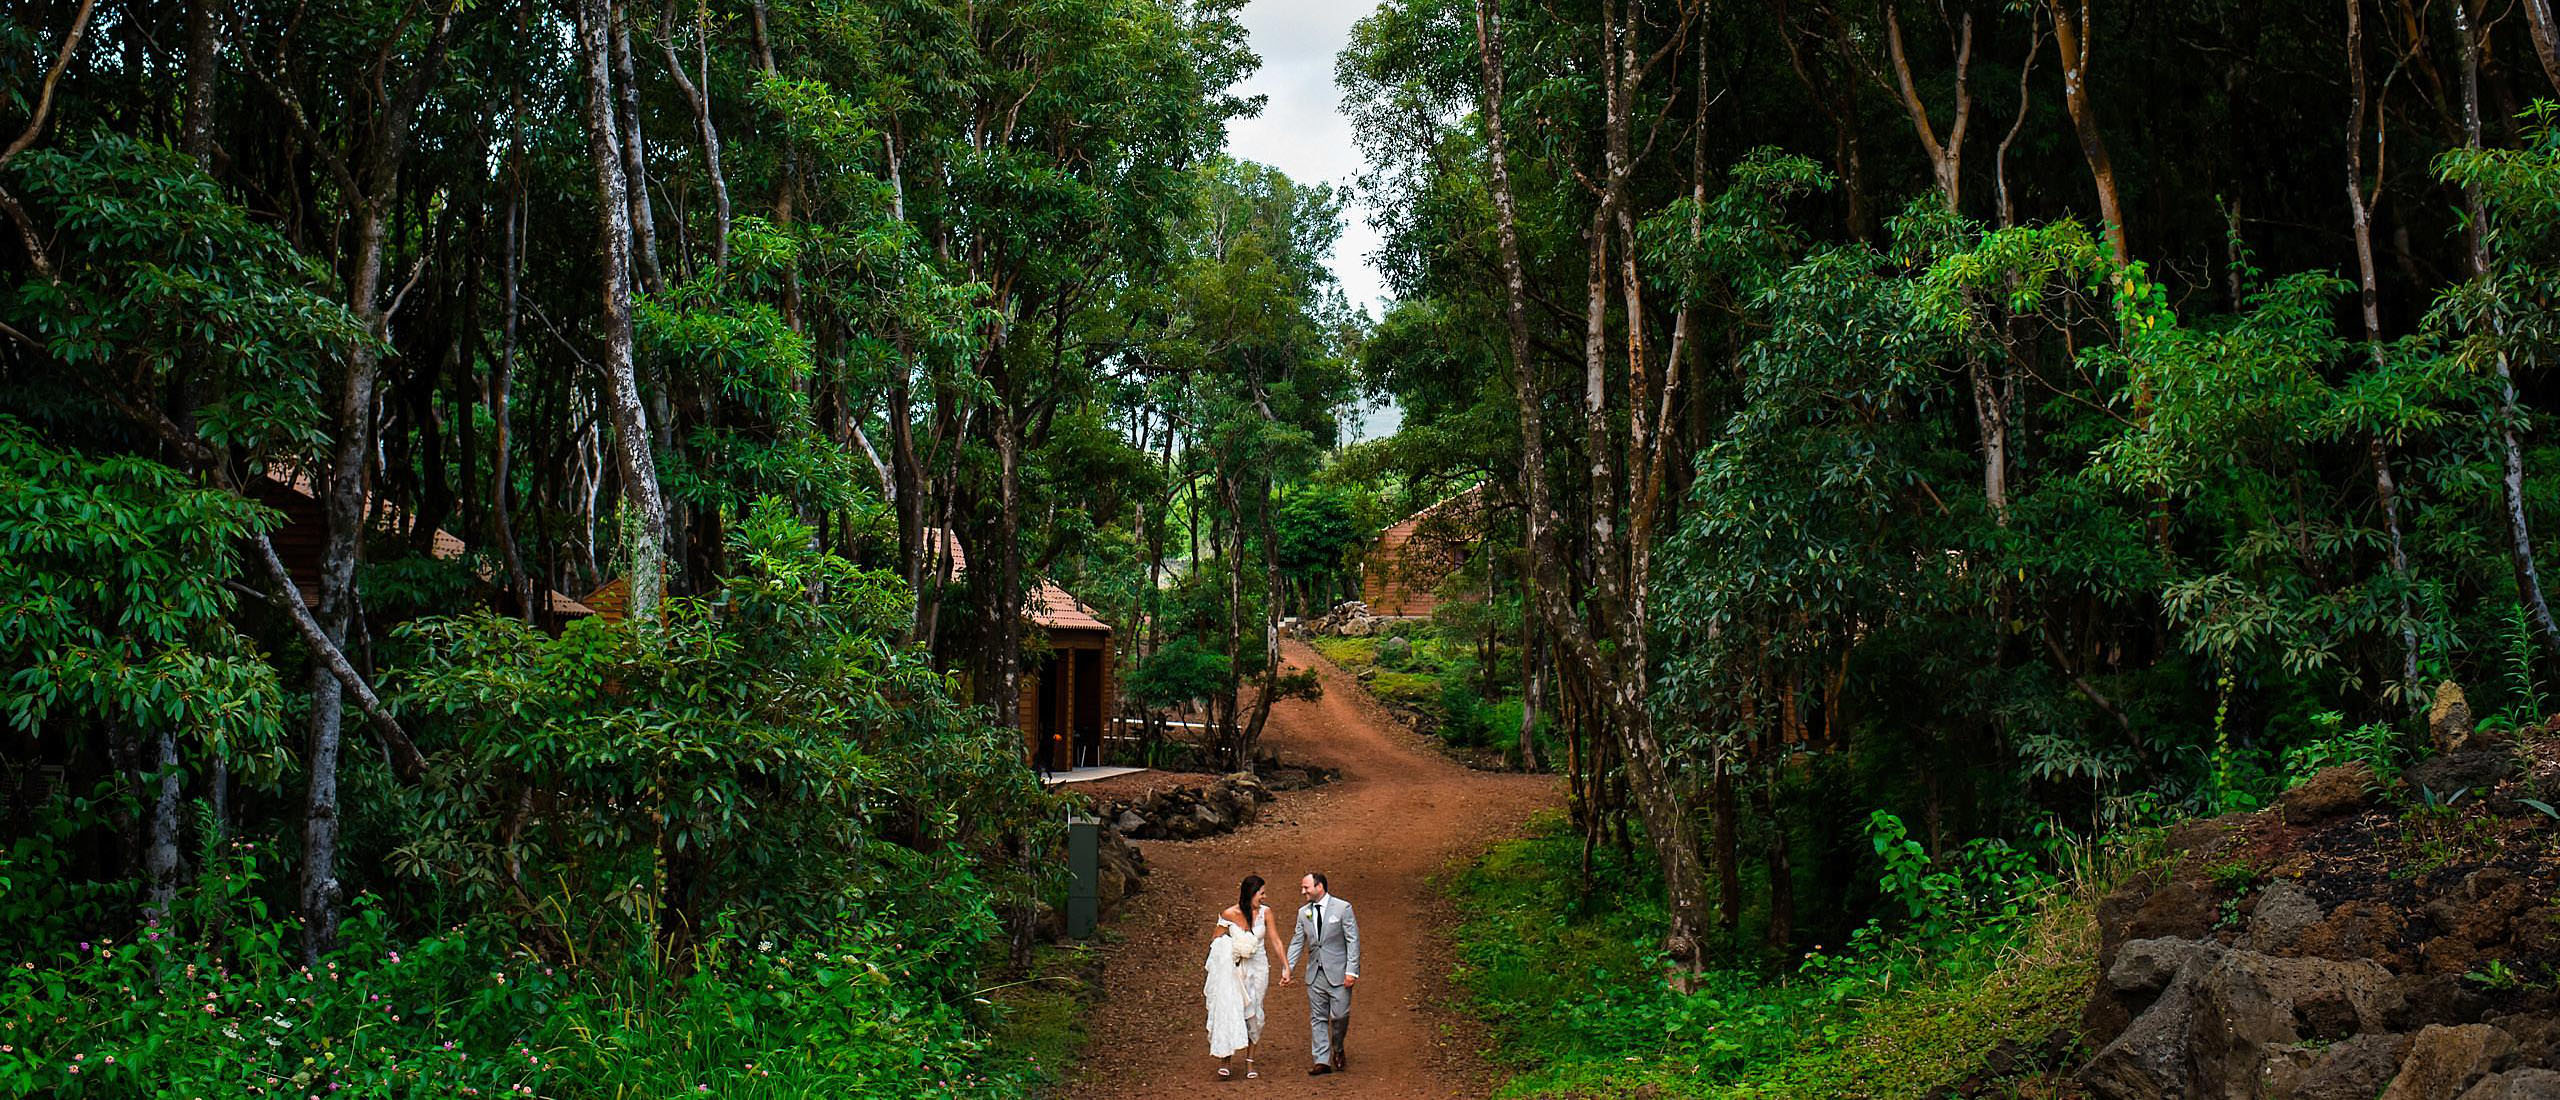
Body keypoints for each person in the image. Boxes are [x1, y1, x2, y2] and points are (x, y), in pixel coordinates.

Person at [1204, 874, 1290, 1080]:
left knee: (1254, 1013)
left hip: (1258, 968)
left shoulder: (1265, 913)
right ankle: (1225, 1059)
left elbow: (1276, 940)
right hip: (1235, 969)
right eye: (1261, 893)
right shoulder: (1229, 913)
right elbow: (1216, 941)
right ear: (1250, 894)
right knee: (1230, 1008)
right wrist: (1233, 949)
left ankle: (1250, 1061)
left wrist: (1285, 967)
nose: (1264, 896)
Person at [1283, 870, 1359, 1075]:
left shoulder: (1343, 908)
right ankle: (1322, 1060)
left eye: (1306, 887)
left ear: (1319, 887)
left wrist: (1351, 970)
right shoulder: (1303, 913)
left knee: (1340, 1015)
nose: (1302, 891)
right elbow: (1297, 941)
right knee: (1318, 1017)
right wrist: (1287, 968)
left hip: (1339, 971)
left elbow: (1352, 941)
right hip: (1315, 972)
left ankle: (1339, 1047)